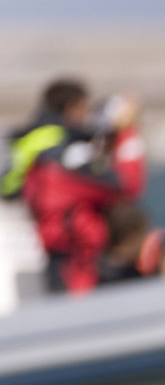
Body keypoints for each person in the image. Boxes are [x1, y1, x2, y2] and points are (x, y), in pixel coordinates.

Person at [3, 78, 146, 293]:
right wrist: (127, 133)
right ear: (73, 107)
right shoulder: (62, 150)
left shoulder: (36, 141)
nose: (87, 116)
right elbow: (128, 185)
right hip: (76, 255)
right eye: (85, 108)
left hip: (57, 246)